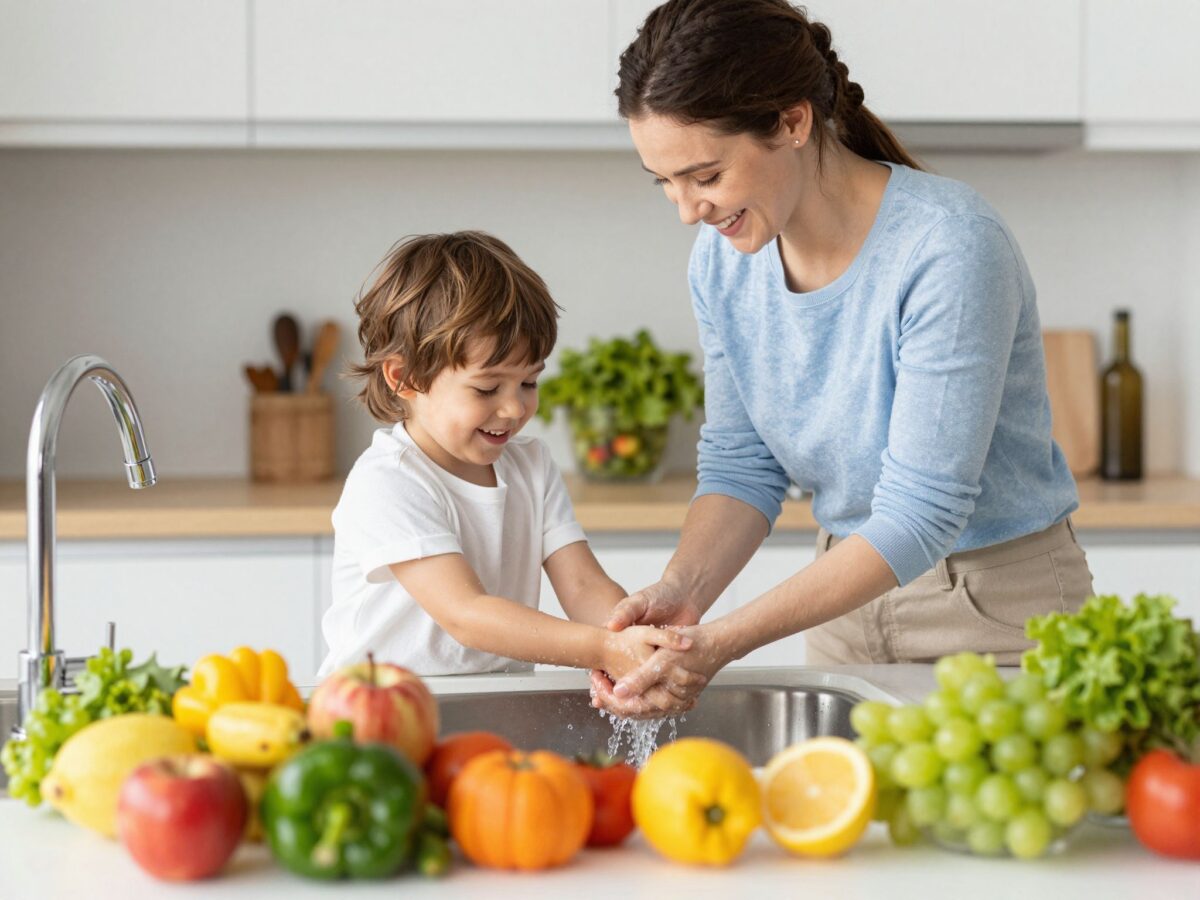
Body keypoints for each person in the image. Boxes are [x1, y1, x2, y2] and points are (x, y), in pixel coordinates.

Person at [591, 0, 1093, 717]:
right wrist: (683, 593)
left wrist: (726, 639)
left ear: (792, 122)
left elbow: (921, 512)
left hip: (995, 615)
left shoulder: (948, 245)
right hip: (841, 612)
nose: (686, 210)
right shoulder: (725, 262)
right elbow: (743, 463)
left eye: (704, 176)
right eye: (664, 182)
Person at [318, 231, 691, 685]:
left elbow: (583, 586)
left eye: (528, 383)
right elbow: (466, 615)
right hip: (376, 716)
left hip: (490, 705)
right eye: (487, 388)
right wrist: (604, 650)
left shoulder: (531, 465)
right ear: (406, 377)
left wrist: (633, 638)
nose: (514, 408)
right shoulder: (389, 482)